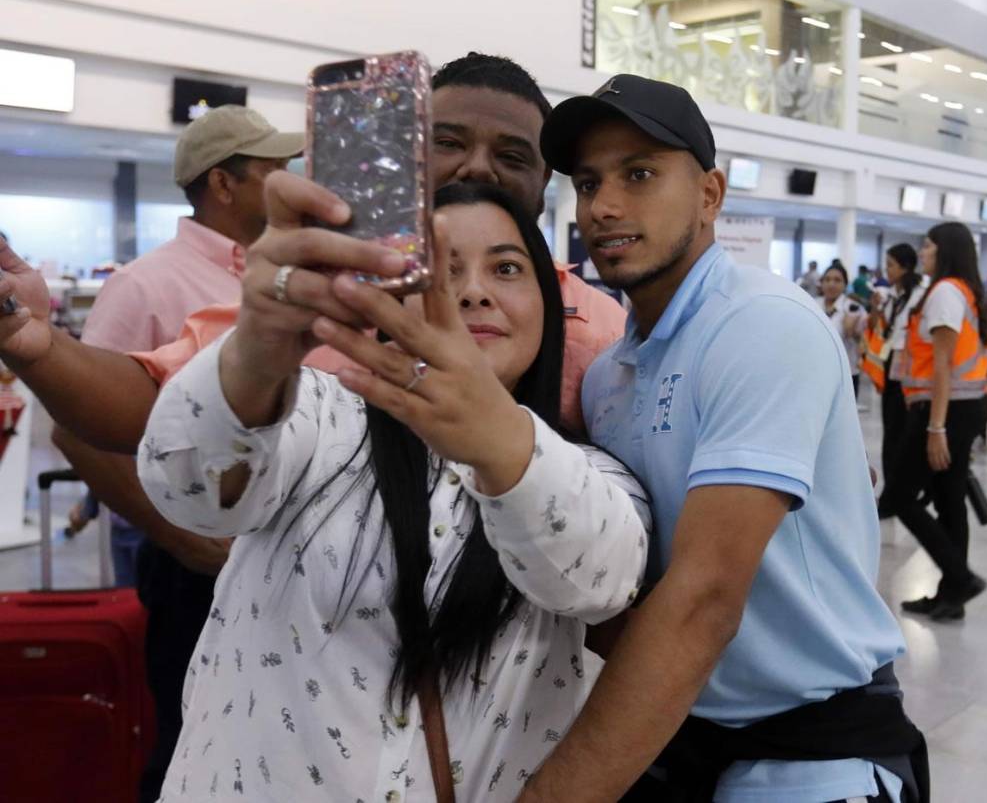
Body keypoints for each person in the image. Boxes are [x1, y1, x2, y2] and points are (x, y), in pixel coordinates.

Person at [137, 180, 650, 801]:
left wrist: (500, 440)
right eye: (438, 271)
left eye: (507, 268)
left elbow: (602, 579)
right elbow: (187, 486)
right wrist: (255, 349)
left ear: (548, 305)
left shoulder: (592, 476)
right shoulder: (319, 418)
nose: (473, 291)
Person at [520, 74, 922, 803]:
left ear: (709, 194)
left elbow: (703, 599)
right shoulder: (611, 372)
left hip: (807, 743)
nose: (603, 207)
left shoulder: (760, 324)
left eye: (638, 174)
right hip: (678, 727)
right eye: (586, 183)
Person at [0, 54, 626, 453]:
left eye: (513, 156)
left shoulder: (600, 331)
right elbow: (152, 398)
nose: (476, 167)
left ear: (545, 183)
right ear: (404, 157)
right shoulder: (316, 299)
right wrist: (39, 342)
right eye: (447, 142)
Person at [53, 104, 304, 799]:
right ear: (223, 184)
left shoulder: (282, 271)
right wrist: (181, 538)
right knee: (198, 742)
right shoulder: (148, 285)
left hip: (289, 557)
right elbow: (76, 429)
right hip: (199, 569)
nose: (288, 181)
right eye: (273, 169)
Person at [886, 223, 987, 622]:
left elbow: (943, 364)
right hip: (962, 406)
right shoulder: (960, 290)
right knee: (948, 499)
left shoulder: (946, 292)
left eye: (928, 245)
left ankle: (960, 578)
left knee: (898, 497)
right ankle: (952, 596)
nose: (923, 252)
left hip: (949, 409)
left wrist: (936, 429)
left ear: (944, 251)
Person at [860, 244, 925, 506]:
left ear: (905, 266)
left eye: (891, 265)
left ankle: (900, 493)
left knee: (903, 434)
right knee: (891, 431)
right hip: (889, 368)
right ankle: (891, 493)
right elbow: (881, 329)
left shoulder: (920, 295)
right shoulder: (892, 296)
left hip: (908, 371)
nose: (887, 270)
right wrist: (876, 308)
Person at [819, 262, 867, 397]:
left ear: (845, 284)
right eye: (827, 280)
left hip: (846, 375)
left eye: (837, 280)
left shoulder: (854, 308)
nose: (831, 284)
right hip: (818, 373)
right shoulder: (813, 304)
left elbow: (865, 341)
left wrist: (853, 332)